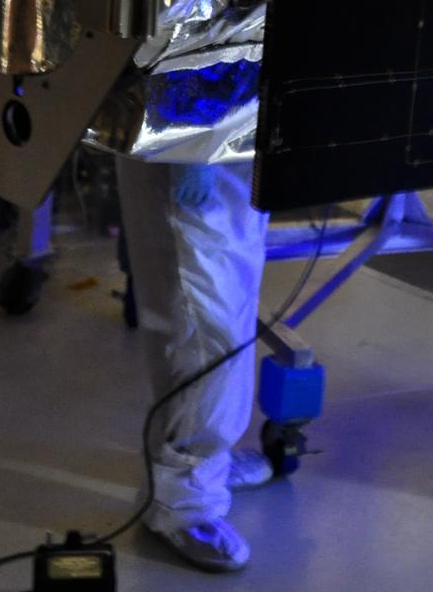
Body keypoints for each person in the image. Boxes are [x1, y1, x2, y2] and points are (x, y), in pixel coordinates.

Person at [115, 158, 273, 572]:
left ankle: (205, 466)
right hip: (194, 124)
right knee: (203, 322)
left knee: (233, 292)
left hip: (238, 133)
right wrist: (192, 145)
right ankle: (180, 504)